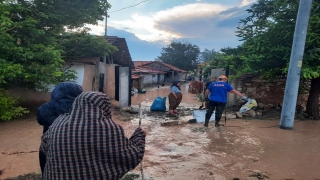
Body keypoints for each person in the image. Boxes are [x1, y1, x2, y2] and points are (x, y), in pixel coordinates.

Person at [40, 92, 146, 180]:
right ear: (104, 107)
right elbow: (129, 155)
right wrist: (140, 135)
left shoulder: (59, 121)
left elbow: (44, 147)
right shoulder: (108, 127)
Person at [36, 82, 83, 175]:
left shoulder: (46, 108)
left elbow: (40, 120)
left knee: (49, 171)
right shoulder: (83, 108)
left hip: (50, 147)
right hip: (79, 147)